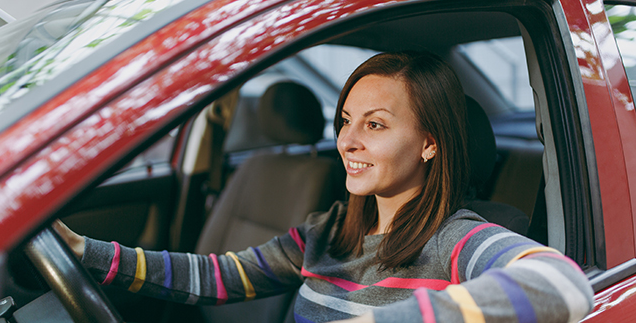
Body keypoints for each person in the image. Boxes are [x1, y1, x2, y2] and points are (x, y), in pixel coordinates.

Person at [54, 51, 593, 323]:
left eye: (375, 125)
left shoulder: (456, 242)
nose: (347, 141)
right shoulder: (328, 231)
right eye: (345, 120)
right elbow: (220, 276)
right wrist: (86, 253)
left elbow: (563, 284)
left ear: (430, 144)